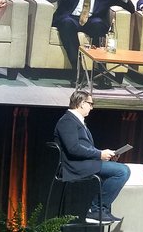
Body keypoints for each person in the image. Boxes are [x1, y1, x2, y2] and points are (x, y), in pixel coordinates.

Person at [38, 0, 134, 88]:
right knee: (66, 23)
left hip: (92, 19)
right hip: (71, 17)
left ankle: (101, 74)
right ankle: (79, 72)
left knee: (99, 25)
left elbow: (131, 9)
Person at [54, 89, 131, 223]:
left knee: (119, 169)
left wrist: (105, 155)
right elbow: (73, 149)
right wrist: (99, 154)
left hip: (85, 163)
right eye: (90, 103)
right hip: (74, 166)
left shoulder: (78, 122)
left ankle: (100, 210)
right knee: (122, 171)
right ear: (81, 103)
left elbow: (86, 148)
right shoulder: (67, 121)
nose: (92, 107)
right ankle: (96, 210)